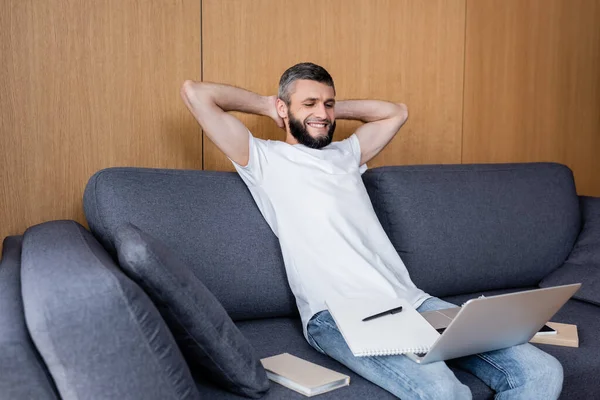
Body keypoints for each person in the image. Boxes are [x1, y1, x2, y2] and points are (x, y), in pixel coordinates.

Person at [180, 62, 563, 399]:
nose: (323, 113)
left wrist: (324, 110)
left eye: (328, 103)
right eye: (309, 103)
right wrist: (270, 105)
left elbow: (396, 112)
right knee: (444, 392)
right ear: (283, 108)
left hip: (411, 302)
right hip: (338, 313)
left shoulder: (346, 154)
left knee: (542, 371)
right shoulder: (262, 158)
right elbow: (196, 93)